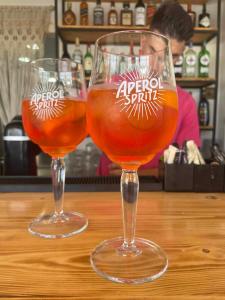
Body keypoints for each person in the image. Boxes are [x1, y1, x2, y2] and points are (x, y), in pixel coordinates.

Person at [97, 1, 201, 176]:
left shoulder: (184, 103)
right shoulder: (109, 88)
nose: (157, 66)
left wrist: (138, 172)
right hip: (107, 188)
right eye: (152, 50)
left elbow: (189, 166)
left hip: (160, 196)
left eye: (171, 57)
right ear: (142, 43)